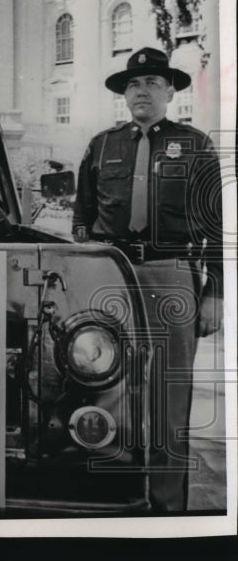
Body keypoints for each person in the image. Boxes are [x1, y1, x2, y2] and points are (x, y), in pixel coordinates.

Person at [73, 46, 223, 511]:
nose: (142, 91)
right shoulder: (102, 145)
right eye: (134, 84)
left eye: (153, 83)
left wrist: (213, 293)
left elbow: (216, 226)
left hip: (170, 274)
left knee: (167, 397)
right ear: (125, 94)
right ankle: (110, 500)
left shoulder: (196, 144)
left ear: (170, 91)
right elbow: (81, 219)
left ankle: (166, 510)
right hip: (108, 275)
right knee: (104, 384)